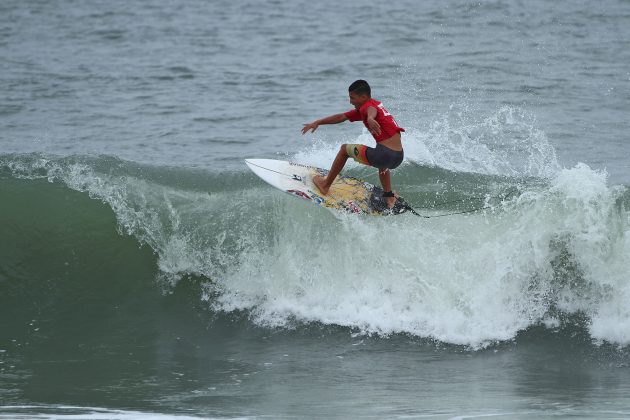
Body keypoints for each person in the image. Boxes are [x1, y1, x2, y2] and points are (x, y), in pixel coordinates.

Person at [301, 80, 405, 209]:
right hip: (398, 157)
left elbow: (371, 111)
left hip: (384, 155)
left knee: (344, 149)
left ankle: (325, 185)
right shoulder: (373, 106)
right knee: (382, 164)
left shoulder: (368, 107)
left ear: (363, 97)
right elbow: (341, 117)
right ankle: (388, 195)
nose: (350, 101)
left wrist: (370, 118)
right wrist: (318, 122)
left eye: (352, 98)